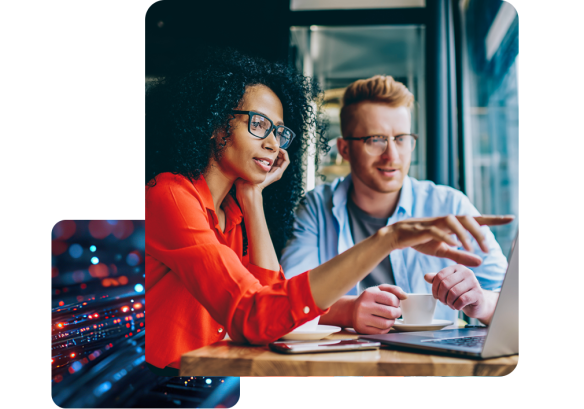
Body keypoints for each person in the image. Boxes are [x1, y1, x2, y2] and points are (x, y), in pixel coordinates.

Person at [145, 50, 513, 374]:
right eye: (259, 125)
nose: (273, 143)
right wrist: (388, 240)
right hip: (162, 384)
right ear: (213, 123)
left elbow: (273, 305)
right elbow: (264, 314)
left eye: (279, 131)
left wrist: (253, 199)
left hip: (208, 379)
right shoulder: (171, 196)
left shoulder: (233, 212)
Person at [281, 75, 512, 335]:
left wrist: (480, 302)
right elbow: (286, 300)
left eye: (401, 138)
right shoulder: (316, 207)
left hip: (431, 370)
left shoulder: (449, 204)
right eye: (375, 140)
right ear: (344, 149)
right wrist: (349, 310)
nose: (392, 155)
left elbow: (511, 306)